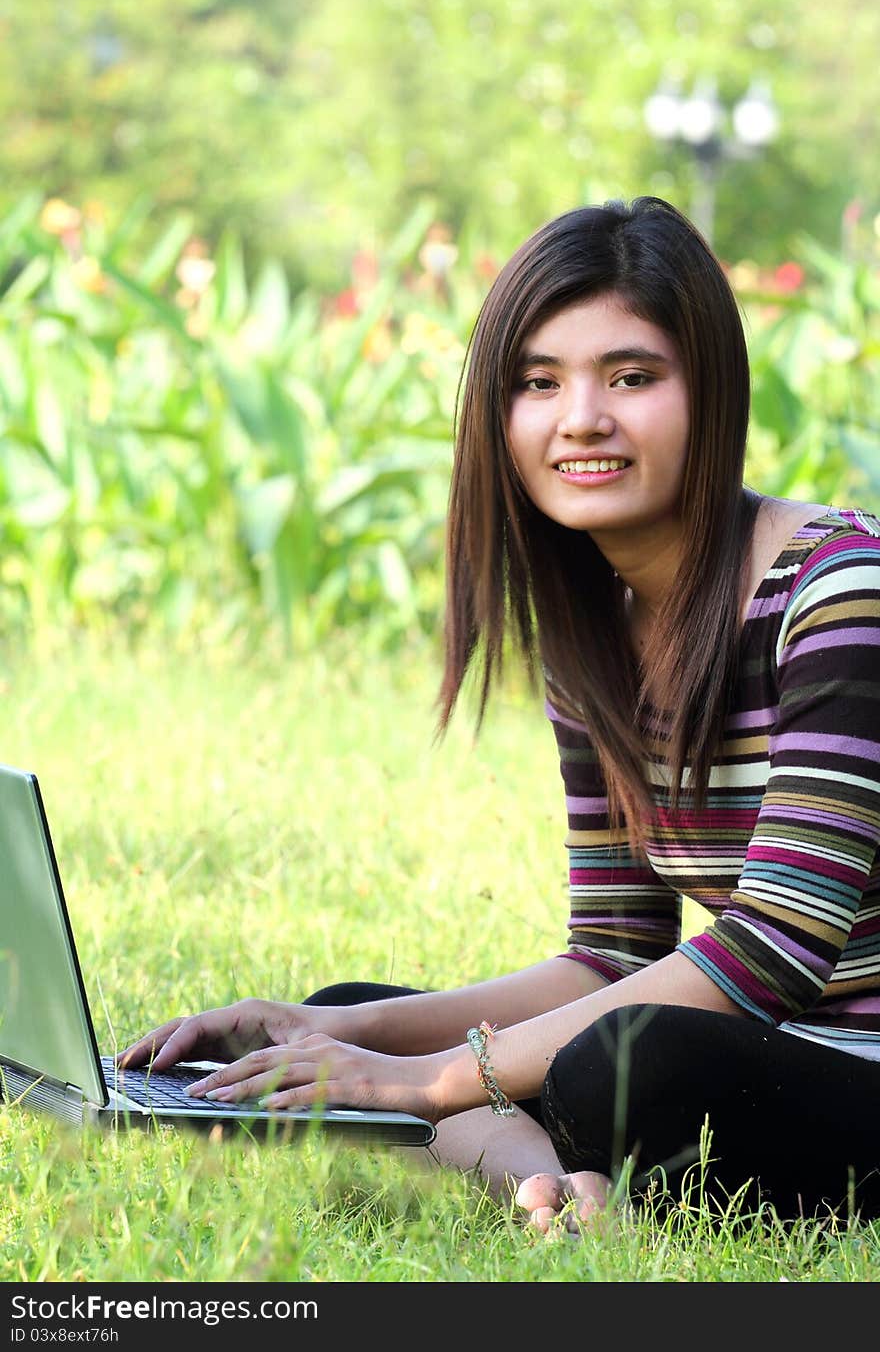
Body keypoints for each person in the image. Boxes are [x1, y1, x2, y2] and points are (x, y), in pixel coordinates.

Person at [120, 196, 880, 1232]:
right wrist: (346, 1035)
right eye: (537, 382)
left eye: (631, 376)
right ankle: (543, 1182)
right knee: (352, 1013)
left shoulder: (835, 592)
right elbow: (610, 949)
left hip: (836, 1060)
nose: (580, 419)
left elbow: (776, 948)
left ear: (713, 392)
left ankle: (524, 1142)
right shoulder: (596, 636)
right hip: (765, 1055)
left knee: (624, 1061)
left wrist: (433, 1082)